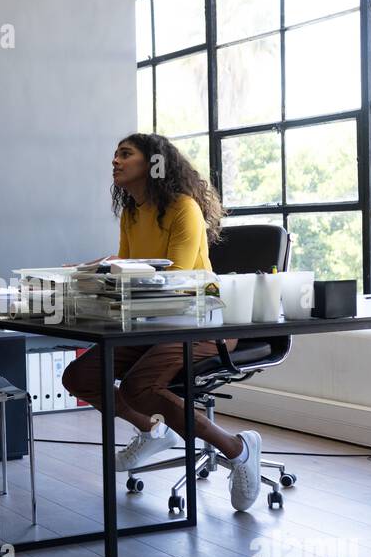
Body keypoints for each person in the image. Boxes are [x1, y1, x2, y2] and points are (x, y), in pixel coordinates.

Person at [60, 133, 263, 511]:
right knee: (79, 377)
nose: (115, 162)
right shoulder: (132, 213)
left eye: (125, 155)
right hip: (153, 320)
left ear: (153, 163)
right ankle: (153, 429)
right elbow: (131, 268)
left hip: (201, 320)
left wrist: (115, 272)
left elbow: (178, 278)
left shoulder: (183, 207)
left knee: (140, 386)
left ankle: (238, 448)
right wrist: (97, 271)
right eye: (115, 154)